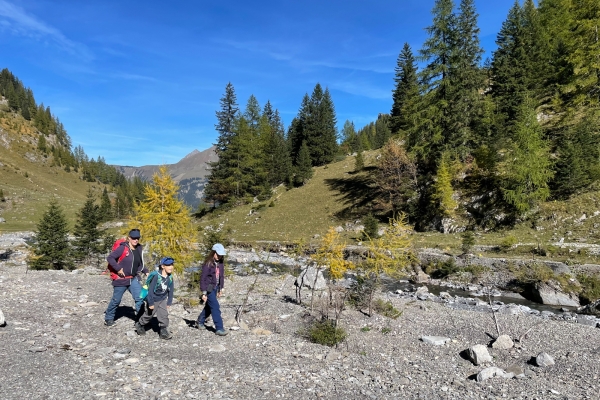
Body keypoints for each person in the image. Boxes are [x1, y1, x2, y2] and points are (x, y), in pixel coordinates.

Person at [104, 229, 148, 327]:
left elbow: (140, 263)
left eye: (137, 238)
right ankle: (108, 318)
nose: (136, 240)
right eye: (133, 238)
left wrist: (146, 271)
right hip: (121, 279)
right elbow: (110, 258)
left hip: (133, 278)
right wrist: (118, 269)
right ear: (129, 238)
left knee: (139, 298)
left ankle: (140, 321)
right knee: (116, 300)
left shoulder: (139, 248)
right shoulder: (123, 248)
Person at [135, 257, 174, 339]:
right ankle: (140, 324)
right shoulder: (156, 276)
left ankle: (163, 331)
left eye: (172, 265)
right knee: (149, 315)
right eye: (168, 265)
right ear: (163, 266)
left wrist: (169, 302)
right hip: (154, 299)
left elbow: (171, 290)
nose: (171, 267)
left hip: (163, 298)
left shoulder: (170, 277)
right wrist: (151, 303)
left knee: (164, 315)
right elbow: (150, 291)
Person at [196, 243, 228, 336]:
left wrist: (221, 288)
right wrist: (204, 292)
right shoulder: (208, 263)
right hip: (208, 289)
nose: (219, 256)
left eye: (221, 254)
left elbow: (221, 276)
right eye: (217, 254)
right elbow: (203, 278)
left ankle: (200, 321)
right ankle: (219, 328)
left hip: (216, 287)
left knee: (209, 307)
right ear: (213, 252)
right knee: (215, 307)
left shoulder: (221, 263)